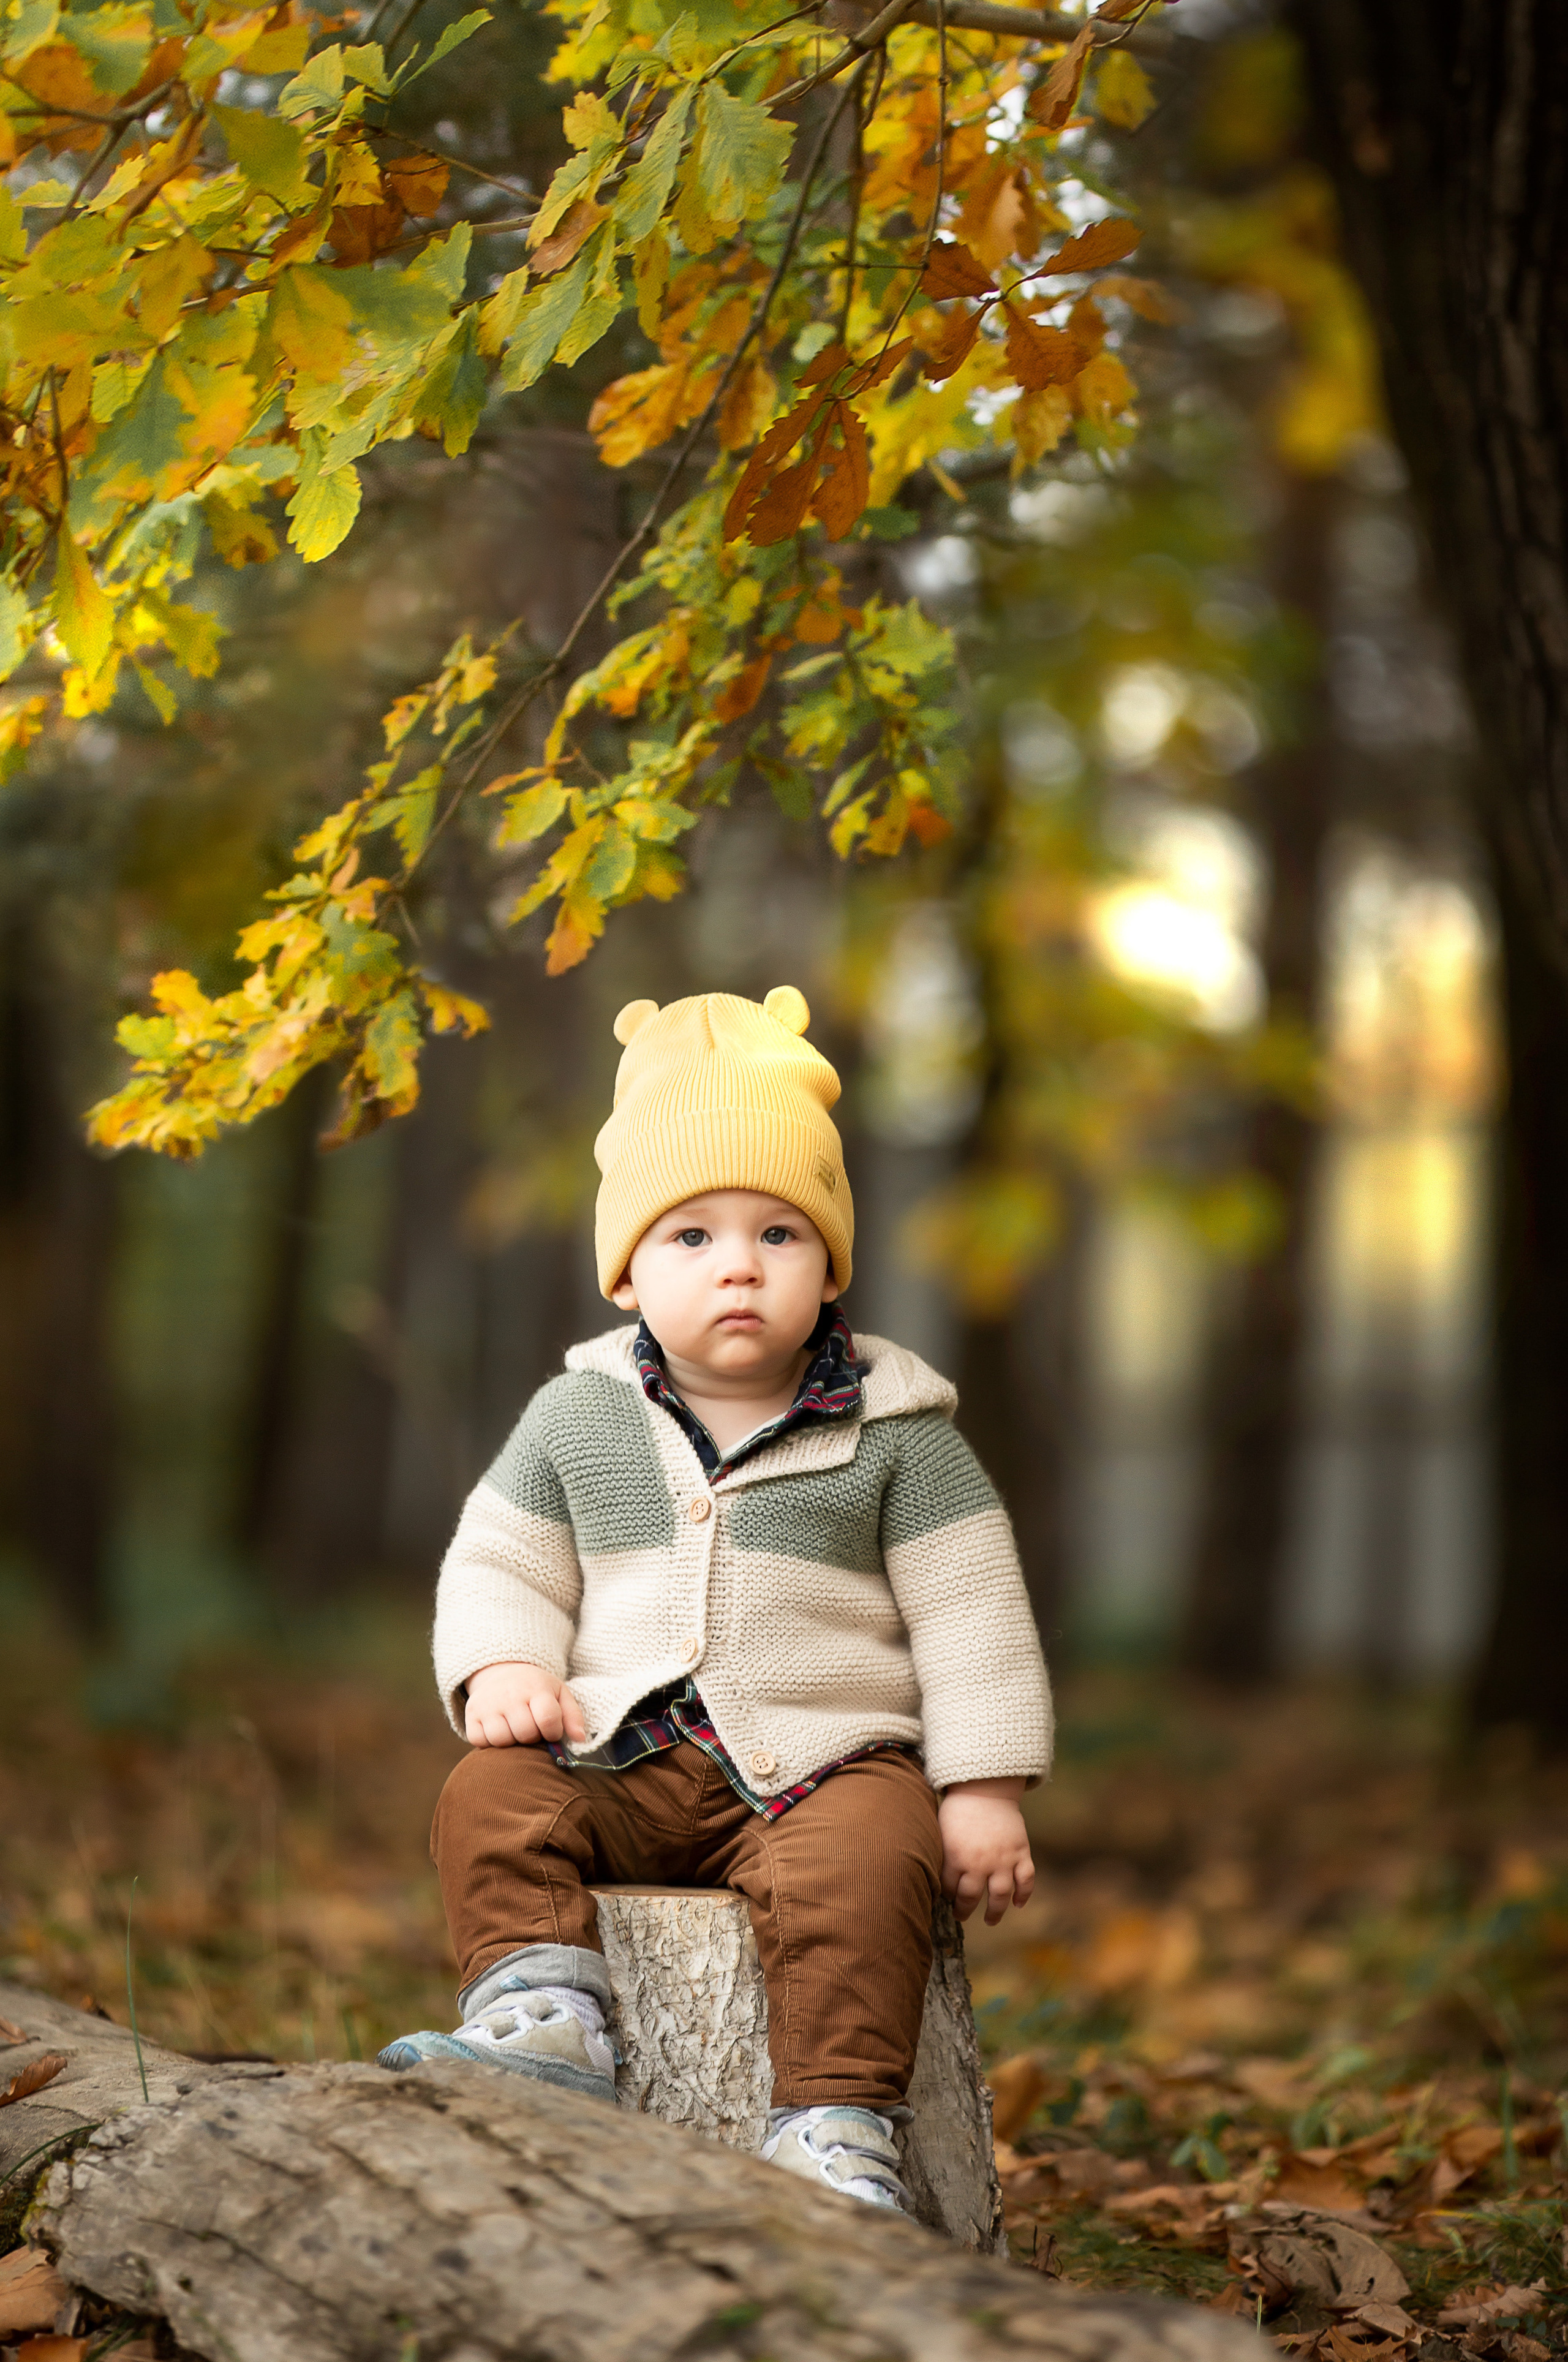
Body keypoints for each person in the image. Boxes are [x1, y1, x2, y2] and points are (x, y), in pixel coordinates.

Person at [381, 986, 1053, 2214]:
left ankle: (835, 2124)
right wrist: (502, 1667)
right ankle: (544, 2012)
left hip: (825, 1757)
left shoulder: (897, 1433)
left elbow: (974, 1614)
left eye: (778, 1234)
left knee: (867, 1860)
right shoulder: (578, 1417)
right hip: (615, 1748)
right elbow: (499, 1562)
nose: (736, 1263)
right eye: (689, 1235)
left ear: (830, 1260)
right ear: (627, 1272)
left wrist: (982, 1787)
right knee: (490, 1790)